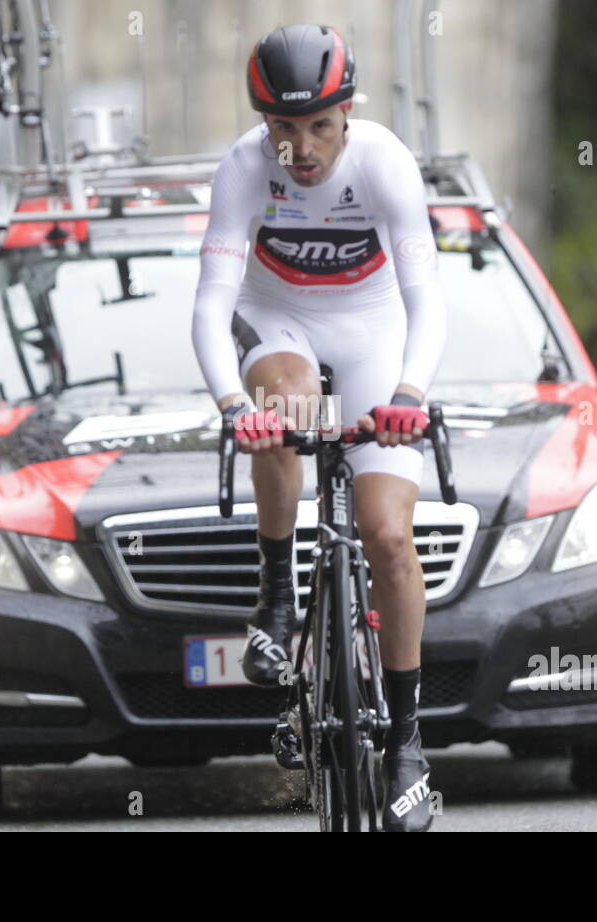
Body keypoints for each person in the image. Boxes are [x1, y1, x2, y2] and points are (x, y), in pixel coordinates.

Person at [190, 23, 447, 832]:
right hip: (280, 318)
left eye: (318, 127)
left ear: (347, 112)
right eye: (282, 130)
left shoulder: (384, 162)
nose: (300, 149)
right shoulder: (242, 169)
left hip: (373, 330)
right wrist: (236, 406)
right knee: (289, 404)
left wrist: (407, 390)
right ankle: (276, 596)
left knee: (388, 536)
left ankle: (405, 743)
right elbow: (209, 304)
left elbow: (426, 297)